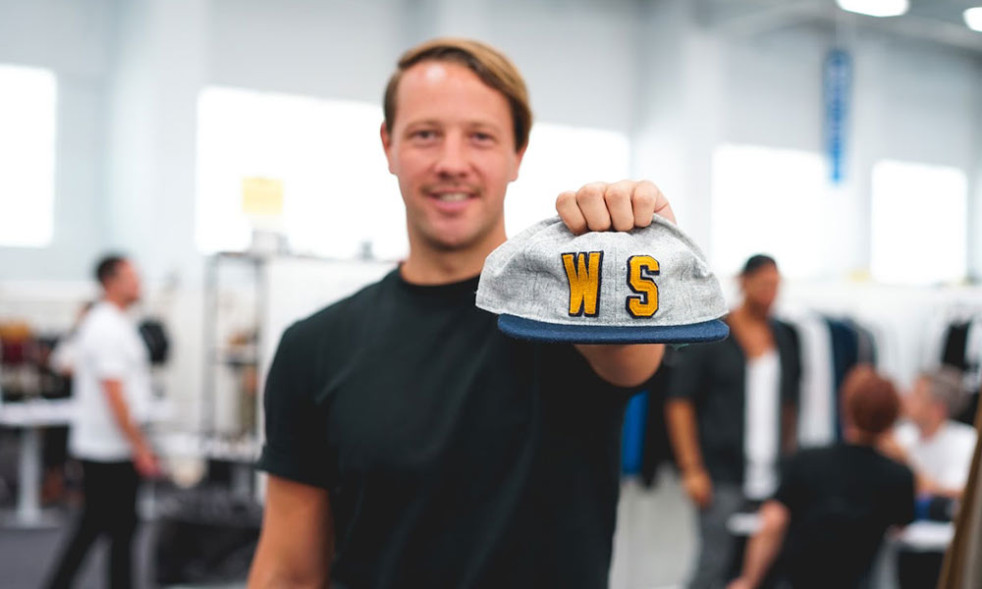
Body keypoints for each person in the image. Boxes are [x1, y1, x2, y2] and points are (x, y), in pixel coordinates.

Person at [247, 38, 675, 588]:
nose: (451, 163)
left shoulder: (573, 313)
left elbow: (631, 354)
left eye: (480, 137)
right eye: (425, 135)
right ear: (389, 146)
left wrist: (634, 246)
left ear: (518, 153)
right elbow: (287, 572)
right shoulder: (314, 347)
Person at [665, 254, 801, 589]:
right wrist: (691, 468)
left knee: (762, 569)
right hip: (720, 474)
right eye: (764, 284)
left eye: (776, 285)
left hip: (771, 474)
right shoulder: (716, 335)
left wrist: (790, 461)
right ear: (744, 282)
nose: (770, 293)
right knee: (713, 565)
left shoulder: (783, 337)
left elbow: (788, 405)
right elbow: (679, 402)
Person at [728, 366, 916, 589]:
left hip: (796, 580)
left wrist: (748, 580)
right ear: (892, 417)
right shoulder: (898, 476)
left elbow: (773, 522)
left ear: (845, 407)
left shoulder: (808, 461)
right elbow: (901, 524)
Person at [44, 255, 161, 589]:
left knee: (112, 529)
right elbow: (114, 393)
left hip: (114, 445)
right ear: (110, 282)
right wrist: (139, 446)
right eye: (132, 277)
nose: (139, 283)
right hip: (108, 448)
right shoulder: (105, 327)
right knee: (103, 528)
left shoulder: (116, 323)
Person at [890, 368, 977, 500]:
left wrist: (904, 460)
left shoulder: (966, 441)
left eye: (917, 394)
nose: (906, 398)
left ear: (938, 409)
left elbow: (959, 492)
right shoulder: (901, 435)